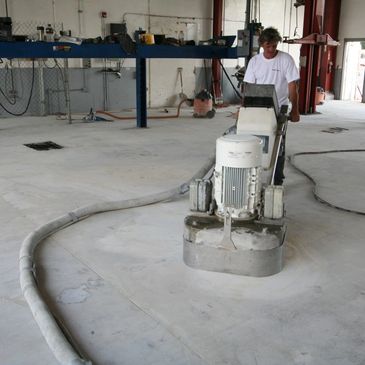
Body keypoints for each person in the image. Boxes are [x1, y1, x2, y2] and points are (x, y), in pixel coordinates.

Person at [243, 27, 300, 185]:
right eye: (268, 46)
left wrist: (295, 110)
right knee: (254, 141)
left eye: (274, 46)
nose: (271, 49)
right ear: (261, 44)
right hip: (258, 107)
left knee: (278, 144)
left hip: (279, 108)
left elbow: (292, 86)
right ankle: (253, 178)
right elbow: (248, 87)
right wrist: (242, 109)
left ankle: (277, 181)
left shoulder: (286, 59)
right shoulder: (255, 61)